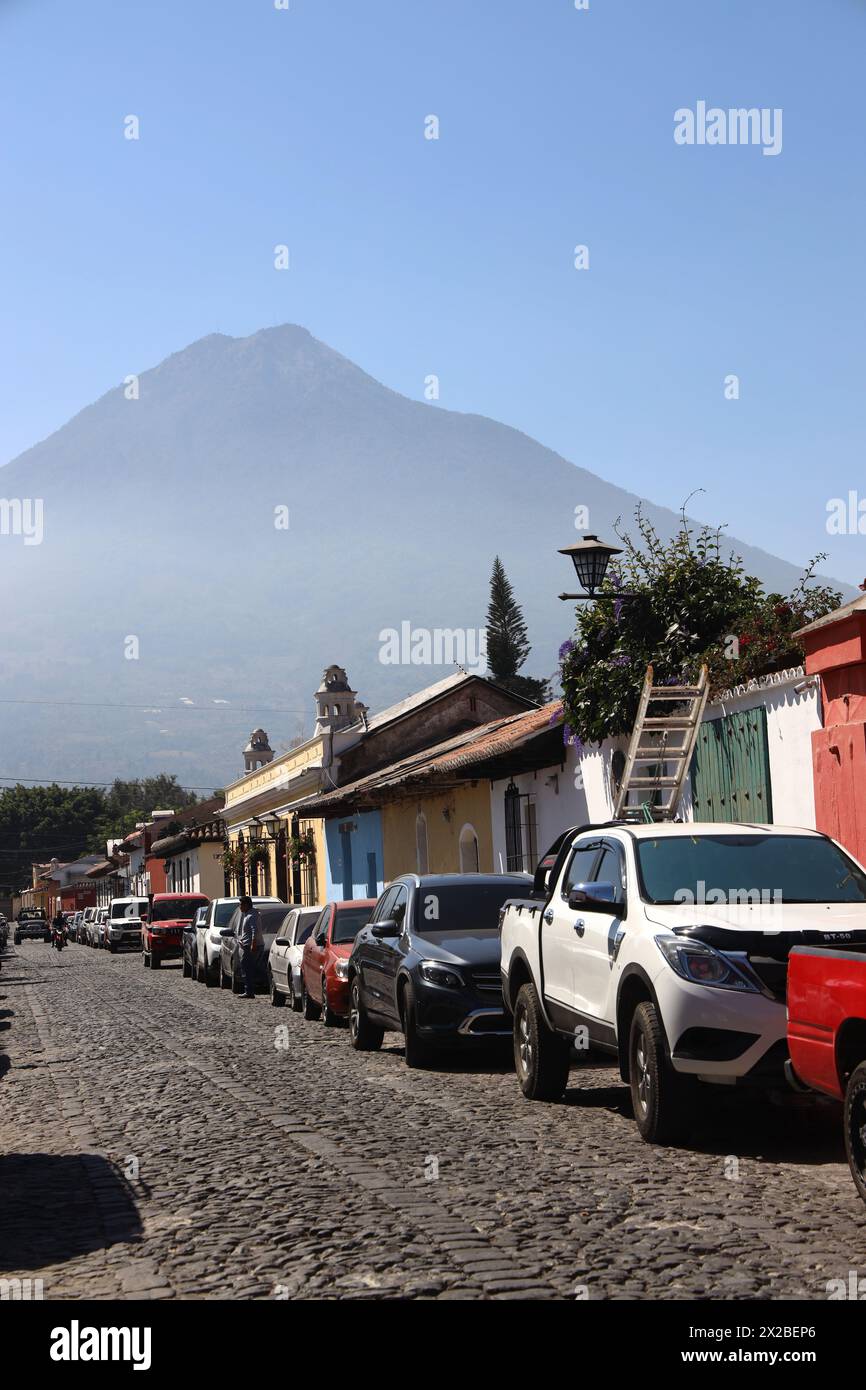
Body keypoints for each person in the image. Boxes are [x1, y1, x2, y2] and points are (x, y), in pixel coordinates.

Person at [236, 895, 263, 998]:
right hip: (247, 944)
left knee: (247, 968)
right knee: (249, 968)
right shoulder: (248, 914)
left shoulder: (252, 915)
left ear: (246, 905)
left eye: (241, 905)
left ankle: (249, 991)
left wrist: (253, 943)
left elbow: (254, 930)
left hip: (250, 946)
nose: (240, 907)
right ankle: (249, 990)